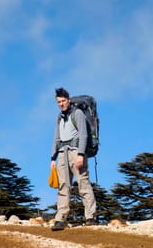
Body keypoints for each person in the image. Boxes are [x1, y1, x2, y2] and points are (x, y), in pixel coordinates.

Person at [50, 87, 97, 231]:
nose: (61, 104)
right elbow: (56, 138)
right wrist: (53, 158)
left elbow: (83, 135)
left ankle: (90, 217)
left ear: (69, 100)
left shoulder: (78, 114)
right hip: (62, 154)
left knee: (83, 183)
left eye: (63, 101)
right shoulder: (59, 117)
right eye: (59, 102)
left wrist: (81, 155)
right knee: (63, 186)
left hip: (76, 152)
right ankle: (60, 219)